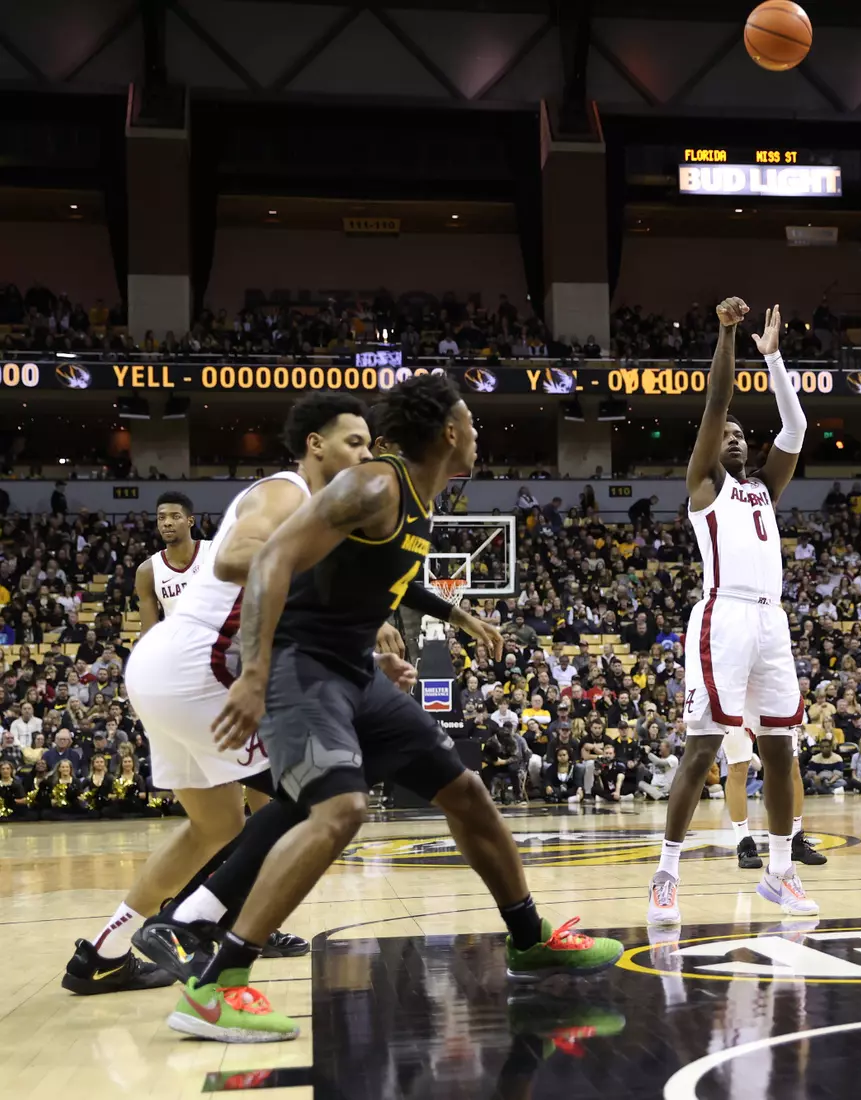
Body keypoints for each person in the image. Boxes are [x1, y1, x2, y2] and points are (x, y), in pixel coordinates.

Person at [181, 373, 621, 1043]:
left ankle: (529, 938)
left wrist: (456, 612)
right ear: (450, 430)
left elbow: (391, 571)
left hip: (353, 670)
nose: (478, 433)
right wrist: (255, 673)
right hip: (301, 665)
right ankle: (215, 984)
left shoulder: (418, 498)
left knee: (466, 791)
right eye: (472, 420)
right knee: (342, 810)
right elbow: (270, 558)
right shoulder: (375, 484)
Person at [61, 397, 378, 998]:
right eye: (355, 443)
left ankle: (100, 955)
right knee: (318, 801)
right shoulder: (289, 492)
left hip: (161, 668)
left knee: (216, 825)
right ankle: (197, 933)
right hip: (200, 663)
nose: (367, 455)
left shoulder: (314, 510)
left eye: (370, 445)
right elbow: (235, 558)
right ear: (315, 445)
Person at [648, 299, 820, 927]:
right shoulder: (706, 484)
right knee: (703, 749)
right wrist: (726, 334)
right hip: (723, 618)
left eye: (742, 434)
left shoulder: (764, 489)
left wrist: (773, 358)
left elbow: (796, 429)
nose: (736, 437)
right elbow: (717, 401)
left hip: (771, 621)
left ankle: (780, 873)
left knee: (781, 749)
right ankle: (666, 874)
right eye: (727, 436)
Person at [135, 492, 203, 640]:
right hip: (181, 651)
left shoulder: (215, 553)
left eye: (175, 516)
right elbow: (148, 631)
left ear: (190, 521)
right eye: (161, 517)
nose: (167, 522)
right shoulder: (147, 571)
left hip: (226, 650)